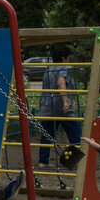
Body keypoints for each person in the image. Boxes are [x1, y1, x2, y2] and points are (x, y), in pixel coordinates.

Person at [37, 45, 81, 184]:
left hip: (46, 107)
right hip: (62, 108)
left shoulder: (48, 69)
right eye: (68, 57)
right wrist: (66, 101)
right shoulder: (63, 67)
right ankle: (74, 161)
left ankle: (43, 161)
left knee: (47, 135)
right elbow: (61, 83)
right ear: (63, 58)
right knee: (75, 134)